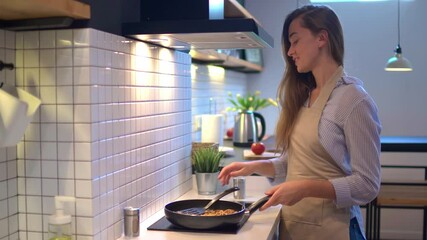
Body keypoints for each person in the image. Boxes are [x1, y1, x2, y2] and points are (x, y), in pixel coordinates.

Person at [218, 5, 381, 240]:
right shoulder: (305, 96)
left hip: (334, 230)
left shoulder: (354, 100)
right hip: (295, 226)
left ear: (322, 38)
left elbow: (367, 185)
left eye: (295, 41)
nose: (290, 52)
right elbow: (297, 163)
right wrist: (256, 166)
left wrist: (305, 188)